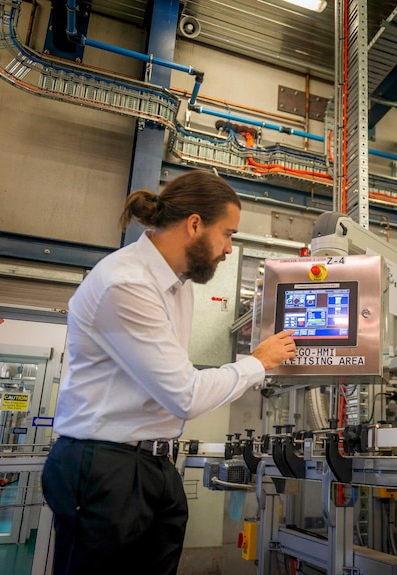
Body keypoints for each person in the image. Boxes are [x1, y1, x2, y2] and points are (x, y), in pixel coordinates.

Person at [41, 170, 296, 575]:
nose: (230, 249)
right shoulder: (126, 283)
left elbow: (174, 382)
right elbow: (185, 394)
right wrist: (258, 362)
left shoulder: (178, 287)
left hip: (154, 466)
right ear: (194, 224)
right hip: (105, 470)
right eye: (228, 234)